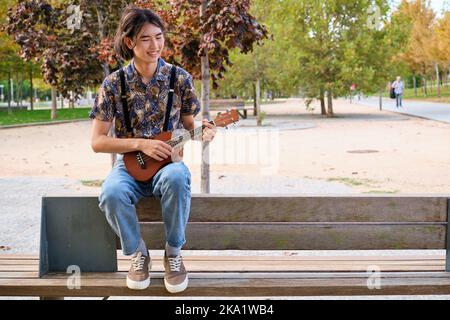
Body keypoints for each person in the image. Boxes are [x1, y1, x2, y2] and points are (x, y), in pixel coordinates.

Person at [89, 5, 216, 293]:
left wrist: (203, 132)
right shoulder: (113, 84)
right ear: (129, 42)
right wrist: (140, 143)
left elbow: (188, 126)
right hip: (130, 166)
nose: (155, 45)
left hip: (167, 164)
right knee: (111, 192)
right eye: (145, 39)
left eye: (159, 37)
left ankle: (173, 254)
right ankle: (138, 254)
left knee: (177, 177)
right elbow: (97, 141)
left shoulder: (179, 79)